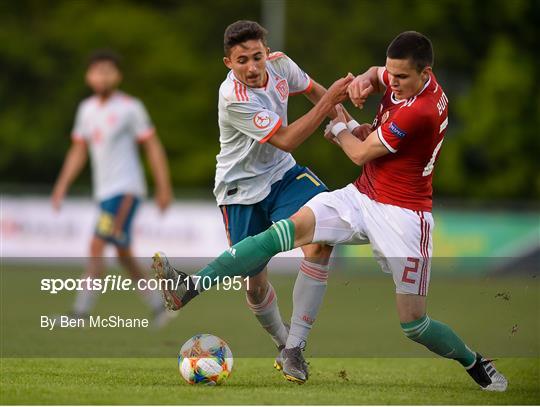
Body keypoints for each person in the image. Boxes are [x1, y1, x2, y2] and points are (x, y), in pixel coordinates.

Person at [153, 20, 352, 378]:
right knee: (255, 283)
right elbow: (288, 137)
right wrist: (329, 103)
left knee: (321, 242)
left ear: (266, 52)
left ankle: (295, 348)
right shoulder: (234, 98)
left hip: (284, 176)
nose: (252, 67)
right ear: (228, 62)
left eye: (256, 57)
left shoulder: (280, 65)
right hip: (239, 190)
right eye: (242, 60)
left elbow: (314, 91)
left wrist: (348, 126)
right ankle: (282, 343)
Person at [52, 49, 174, 328]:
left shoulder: (130, 107)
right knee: (122, 252)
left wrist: (163, 187)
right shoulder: (86, 110)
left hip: (126, 190)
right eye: (97, 70)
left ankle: (80, 313)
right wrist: (61, 186)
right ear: (88, 76)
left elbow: (152, 146)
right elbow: (78, 151)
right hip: (105, 193)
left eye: (108, 70)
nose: (102, 76)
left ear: (117, 76)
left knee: (97, 244)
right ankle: (160, 304)